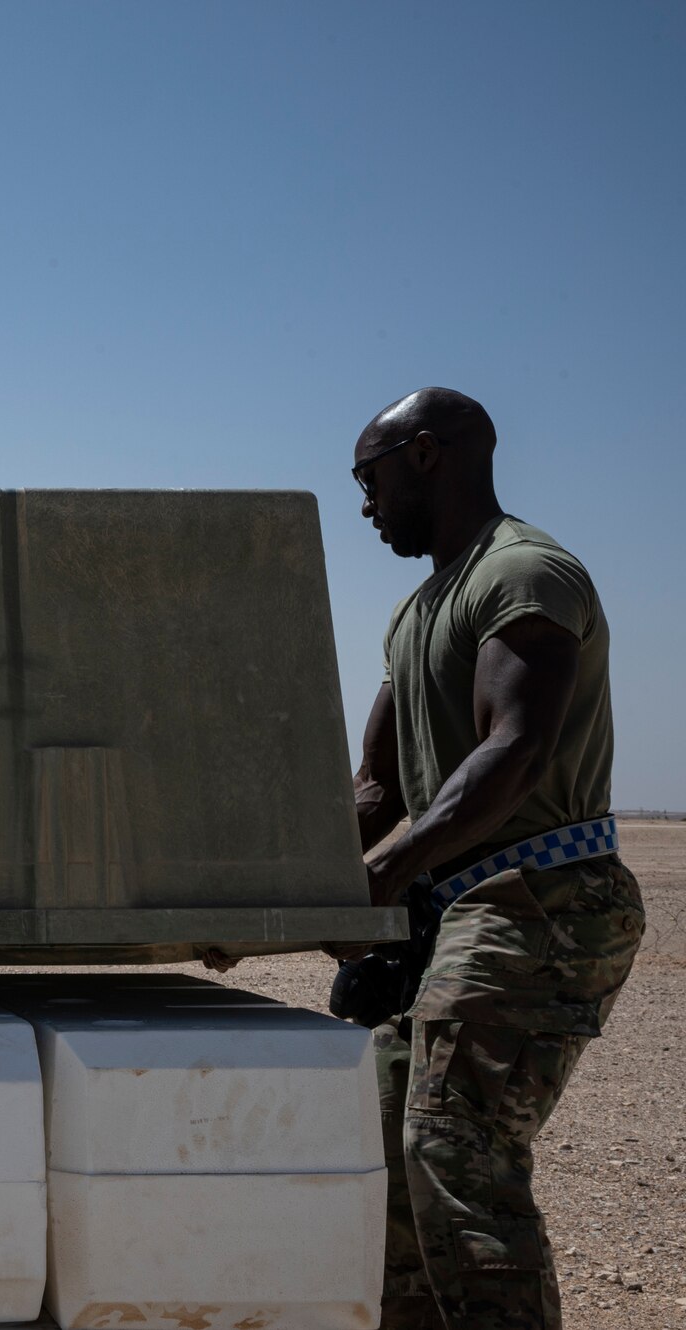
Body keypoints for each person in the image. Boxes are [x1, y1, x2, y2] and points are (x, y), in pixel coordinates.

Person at [347, 387, 644, 1329]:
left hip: (542, 896)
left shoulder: (522, 575)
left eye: (370, 478)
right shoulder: (414, 614)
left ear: (425, 455)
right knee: (389, 1146)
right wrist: (267, 893)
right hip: (463, 907)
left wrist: (388, 874)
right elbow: (375, 793)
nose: (365, 504)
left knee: (453, 1142)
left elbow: (512, 754)